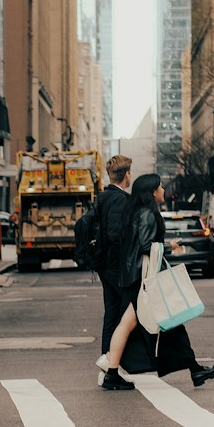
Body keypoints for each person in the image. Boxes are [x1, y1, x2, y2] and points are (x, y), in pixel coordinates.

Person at [101, 173, 214, 392]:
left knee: (164, 324)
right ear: (152, 192)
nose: (163, 190)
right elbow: (147, 246)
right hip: (142, 280)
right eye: (160, 187)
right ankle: (111, 371)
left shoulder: (135, 212)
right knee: (144, 324)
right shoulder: (147, 214)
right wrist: (170, 247)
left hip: (134, 277)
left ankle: (194, 369)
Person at [94, 154, 134, 367]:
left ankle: (108, 361)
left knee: (111, 315)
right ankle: (112, 363)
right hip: (116, 266)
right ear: (126, 174)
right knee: (126, 315)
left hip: (103, 264)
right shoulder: (120, 200)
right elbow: (115, 234)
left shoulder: (102, 197)